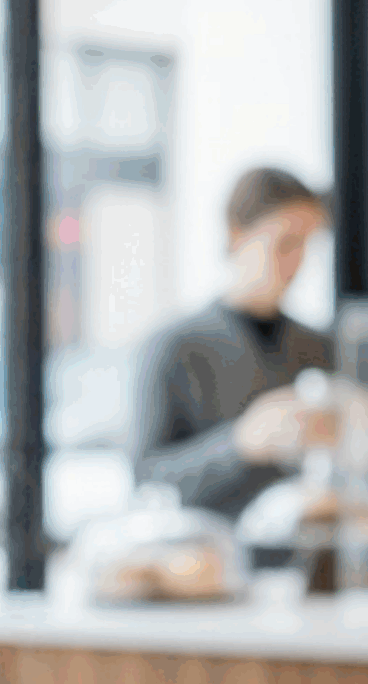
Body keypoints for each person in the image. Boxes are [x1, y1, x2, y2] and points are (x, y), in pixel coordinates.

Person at [131, 167, 334, 518]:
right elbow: (147, 480)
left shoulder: (317, 348)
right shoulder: (175, 347)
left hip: (304, 548)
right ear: (237, 234)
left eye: (306, 245)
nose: (297, 262)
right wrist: (240, 443)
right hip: (206, 560)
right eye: (285, 243)